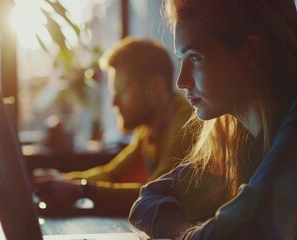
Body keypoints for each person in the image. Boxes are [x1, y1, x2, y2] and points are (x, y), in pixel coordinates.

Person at [128, 0, 297, 239]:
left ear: (251, 54)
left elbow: (239, 233)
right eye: (182, 60)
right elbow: (149, 198)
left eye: (195, 58)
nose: (181, 81)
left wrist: (187, 235)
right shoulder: (243, 138)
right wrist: (185, 232)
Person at [33, 37, 193, 215]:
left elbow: (156, 195)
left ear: (154, 87)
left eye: (121, 89)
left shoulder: (185, 126)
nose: (113, 102)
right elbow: (113, 175)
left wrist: (82, 190)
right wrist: (57, 180)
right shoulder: (148, 129)